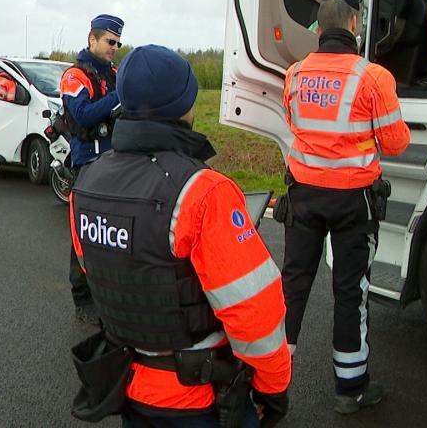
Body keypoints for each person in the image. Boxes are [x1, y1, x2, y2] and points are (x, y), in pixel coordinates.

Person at [70, 45, 291, 427]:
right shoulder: (203, 192)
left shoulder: (86, 184)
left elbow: (102, 273)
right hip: (200, 399)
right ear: (184, 107)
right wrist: (274, 390)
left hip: (130, 390)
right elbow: (255, 311)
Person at [280, 0, 410, 414]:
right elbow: (395, 143)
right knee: (350, 293)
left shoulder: (295, 74)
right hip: (353, 199)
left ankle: (270, 383)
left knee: (293, 285)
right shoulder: (372, 77)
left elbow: (295, 122)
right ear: (354, 25)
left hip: (303, 194)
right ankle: (350, 389)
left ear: (318, 29)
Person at [60, 13, 124, 325]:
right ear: (93, 40)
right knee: (84, 232)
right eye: (110, 41)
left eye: (118, 43)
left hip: (115, 163)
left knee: (118, 230)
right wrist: (119, 97)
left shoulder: (113, 73)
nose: (115, 47)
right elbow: (84, 115)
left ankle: (111, 292)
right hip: (87, 164)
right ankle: (82, 297)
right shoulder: (74, 76)